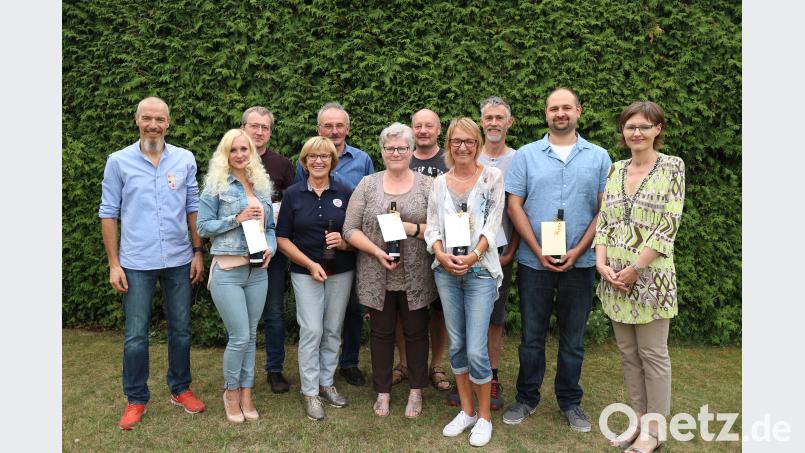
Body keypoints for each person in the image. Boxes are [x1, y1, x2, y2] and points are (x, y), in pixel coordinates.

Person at [503, 88, 612, 432]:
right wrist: (536, 250)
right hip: (534, 264)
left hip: (579, 265)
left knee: (573, 339)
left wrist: (579, 251)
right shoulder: (526, 155)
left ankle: (570, 401)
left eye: (566, 107)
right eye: (554, 108)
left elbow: (604, 209)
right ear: (545, 113)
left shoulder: (599, 157)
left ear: (579, 111)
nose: (560, 113)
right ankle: (526, 397)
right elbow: (514, 205)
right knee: (531, 336)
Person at [99, 96, 206, 430]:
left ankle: (180, 388)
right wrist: (114, 264)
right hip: (136, 261)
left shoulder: (185, 159)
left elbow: (193, 206)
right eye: (147, 118)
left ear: (168, 123)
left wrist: (198, 251)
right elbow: (108, 213)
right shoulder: (118, 162)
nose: (153, 125)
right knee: (135, 335)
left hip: (178, 258)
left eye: (160, 119)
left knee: (182, 330)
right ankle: (136, 399)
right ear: (137, 120)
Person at [594, 101, 684, 453]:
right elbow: (605, 222)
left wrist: (635, 269)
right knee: (629, 355)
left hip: (651, 279)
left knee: (653, 355)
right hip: (614, 279)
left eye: (644, 126)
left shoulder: (672, 167)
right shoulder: (616, 170)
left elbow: (667, 227)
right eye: (631, 126)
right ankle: (638, 421)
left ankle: (655, 433)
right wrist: (602, 265)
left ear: (658, 129)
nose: (637, 132)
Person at [343, 122, 436, 418]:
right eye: (390, 147)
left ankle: (416, 391)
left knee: (417, 333)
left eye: (402, 147)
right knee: (381, 334)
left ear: (411, 150)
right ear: (381, 151)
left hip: (417, 274)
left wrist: (413, 229)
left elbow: (440, 229)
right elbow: (349, 229)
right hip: (376, 271)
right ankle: (382, 392)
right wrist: (375, 250)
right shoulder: (368, 184)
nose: (396, 152)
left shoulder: (428, 185)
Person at [425, 118, 505, 447]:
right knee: (456, 345)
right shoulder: (440, 183)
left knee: (476, 348)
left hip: (480, 271)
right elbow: (431, 226)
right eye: (456, 141)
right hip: (446, 272)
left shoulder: (491, 177)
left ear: (478, 144)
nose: (462, 147)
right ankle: (468, 412)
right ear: (449, 145)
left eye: (469, 142)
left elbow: (493, 222)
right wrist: (441, 255)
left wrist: (473, 257)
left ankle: (485, 417)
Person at [197, 129, 277, 423]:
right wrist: (236, 218)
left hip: (257, 271)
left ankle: (247, 393)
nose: (240, 154)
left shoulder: (261, 187)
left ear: (252, 153)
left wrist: (271, 248)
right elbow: (203, 227)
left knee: (251, 335)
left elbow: (270, 229)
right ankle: (231, 393)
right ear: (225, 154)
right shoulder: (215, 188)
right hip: (227, 271)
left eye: (245, 149)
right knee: (240, 336)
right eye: (234, 150)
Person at [294, 102, 374, 387]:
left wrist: (350, 241)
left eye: (339, 125)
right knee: (315, 324)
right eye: (328, 125)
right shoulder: (304, 167)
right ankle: (313, 379)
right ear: (319, 129)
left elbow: (369, 205)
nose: (334, 130)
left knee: (350, 311)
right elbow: (300, 202)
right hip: (313, 255)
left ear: (348, 129)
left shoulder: (363, 160)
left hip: (348, 251)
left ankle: (348, 363)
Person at [279, 136, 356, 421]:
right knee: (312, 330)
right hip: (305, 271)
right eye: (313, 156)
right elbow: (282, 239)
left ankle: (326, 383)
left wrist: (345, 242)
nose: (319, 160)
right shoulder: (293, 194)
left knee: (333, 329)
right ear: (305, 161)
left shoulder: (346, 191)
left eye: (325, 156)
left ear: (332, 161)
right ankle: (310, 392)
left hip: (341, 270)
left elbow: (356, 233)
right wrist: (310, 264)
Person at [394, 108, 454, 394]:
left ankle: (437, 364)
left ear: (438, 129)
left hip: (441, 247)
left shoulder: (450, 160)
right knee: (402, 310)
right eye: (418, 126)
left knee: (439, 310)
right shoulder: (403, 155)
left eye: (429, 126)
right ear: (411, 129)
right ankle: (404, 364)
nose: (423, 131)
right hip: (404, 249)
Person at [240, 106, 295, 394]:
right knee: (240, 315)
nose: (259, 132)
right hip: (236, 251)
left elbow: (291, 207)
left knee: (273, 312)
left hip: (269, 253)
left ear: (270, 132)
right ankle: (238, 369)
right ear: (243, 128)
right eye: (254, 126)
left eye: (265, 127)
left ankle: (274, 369)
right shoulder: (228, 161)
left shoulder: (282, 165)